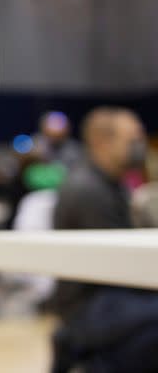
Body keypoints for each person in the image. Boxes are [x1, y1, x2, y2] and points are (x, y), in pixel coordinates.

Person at [51, 107, 158, 373]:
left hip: (111, 295)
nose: (139, 146)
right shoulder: (88, 191)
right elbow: (123, 266)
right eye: (132, 139)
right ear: (102, 142)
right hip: (89, 304)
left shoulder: (114, 183)